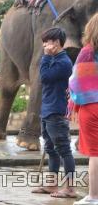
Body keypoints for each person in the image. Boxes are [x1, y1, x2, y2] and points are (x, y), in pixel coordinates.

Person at [30, 27, 76, 198]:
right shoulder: (54, 59)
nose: (44, 45)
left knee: (64, 149)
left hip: (57, 111)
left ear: (56, 43)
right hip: (48, 110)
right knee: (51, 149)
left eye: (46, 42)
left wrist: (46, 57)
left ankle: (70, 188)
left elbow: (45, 77)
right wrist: (48, 57)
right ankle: (52, 185)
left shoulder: (63, 62)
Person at [70, 14, 98, 205]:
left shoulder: (87, 52)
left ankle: (93, 196)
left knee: (95, 154)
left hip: (91, 107)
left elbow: (76, 83)